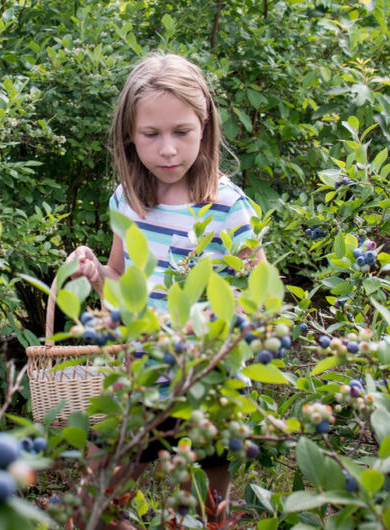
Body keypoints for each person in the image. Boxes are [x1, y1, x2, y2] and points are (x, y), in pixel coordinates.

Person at [66, 52, 266, 527]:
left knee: (202, 510)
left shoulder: (228, 208)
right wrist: (97, 276)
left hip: (205, 385)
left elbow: (260, 294)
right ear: (130, 137)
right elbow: (120, 285)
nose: (169, 150)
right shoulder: (128, 200)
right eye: (151, 135)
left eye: (182, 132)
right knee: (98, 499)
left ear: (205, 128)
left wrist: (228, 319)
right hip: (136, 380)